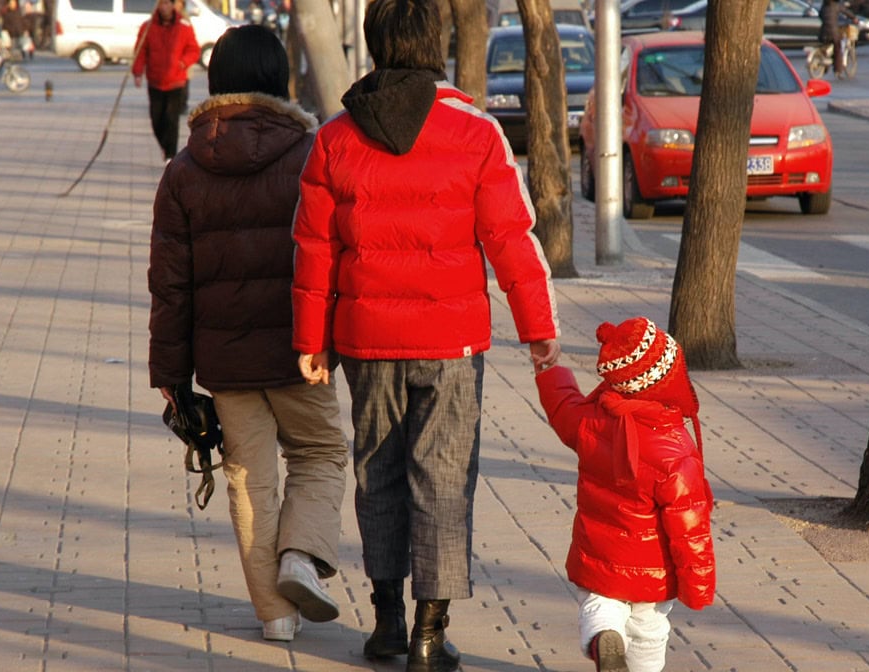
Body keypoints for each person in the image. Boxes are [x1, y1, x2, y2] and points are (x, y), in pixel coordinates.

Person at [290, 0, 561, 669]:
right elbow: (510, 237)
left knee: (375, 471)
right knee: (441, 480)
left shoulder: (335, 136)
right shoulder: (476, 130)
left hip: (364, 338)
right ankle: (427, 637)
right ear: (434, 42)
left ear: (376, 43)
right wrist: (540, 329)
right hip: (452, 343)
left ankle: (383, 622)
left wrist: (310, 340)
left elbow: (313, 248)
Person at [148, 24, 350, 644]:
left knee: (247, 476)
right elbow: (337, 254)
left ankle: (275, 616)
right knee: (319, 454)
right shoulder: (312, 154)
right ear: (279, 81)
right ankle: (299, 557)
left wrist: (170, 377)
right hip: (300, 353)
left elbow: (170, 286)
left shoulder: (182, 171)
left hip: (225, 362)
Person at [534, 317, 716, 672]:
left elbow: (563, 409)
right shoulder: (676, 450)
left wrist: (549, 369)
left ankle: (605, 633)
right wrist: (698, 586)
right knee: (649, 629)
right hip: (654, 569)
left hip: (599, 553)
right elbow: (691, 529)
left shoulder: (595, 417)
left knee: (600, 604)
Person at [132, 0, 199, 162]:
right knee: (156, 119)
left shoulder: (184, 26)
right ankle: (165, 146)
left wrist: (183, 62)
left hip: (176, 81)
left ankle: (171, 154)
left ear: (173, 5)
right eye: (161, 4)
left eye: (167, 4)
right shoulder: (148, 26)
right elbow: (141, 50)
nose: (164, 7)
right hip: (155, 80)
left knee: (171, 119)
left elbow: (194, 49)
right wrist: (138, 72)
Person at [819, 0, 855, 75]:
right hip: (833, 32)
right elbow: (846, 12)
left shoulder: (824, 6)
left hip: (823, 32)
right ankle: (838, 70)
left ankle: (824, 67)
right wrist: (854, 18)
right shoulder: (836, 5)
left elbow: (820, 15)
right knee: (837, 49)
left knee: (825, 47)